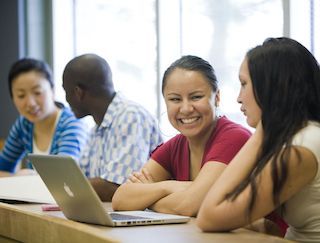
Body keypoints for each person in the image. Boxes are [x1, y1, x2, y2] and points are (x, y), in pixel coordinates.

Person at [197, 37, 320, 243]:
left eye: (244, 83)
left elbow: (209, 216)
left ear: (271, 88)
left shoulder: (301, 147)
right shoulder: (301, 136)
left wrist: (262, 133)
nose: (239, 97)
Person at [112, 55, 252, 217]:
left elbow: (189, 205)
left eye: (196, 97)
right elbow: (120, 199)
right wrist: (169, 187)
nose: (185, 109)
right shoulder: (174, 145)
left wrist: (147, 197)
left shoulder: (234, 137)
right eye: (175, 99)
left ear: (217, 98)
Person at [62, 53, 163, 202]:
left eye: (66, 91)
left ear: (78, 93)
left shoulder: (131, 116)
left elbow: (118, 188)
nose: (66, 100)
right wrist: (70, 184)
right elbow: (81, 177)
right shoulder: (97, 128)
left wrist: (66, 185)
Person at [0, 58, 89, 177]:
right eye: (21, 96)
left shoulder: (72, 123)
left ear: (53, 91)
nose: (30, 103)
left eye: (37, 92)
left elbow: (63, 177)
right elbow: (2, 169)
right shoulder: (24, 124)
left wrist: (26, 178)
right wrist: (18, 178)